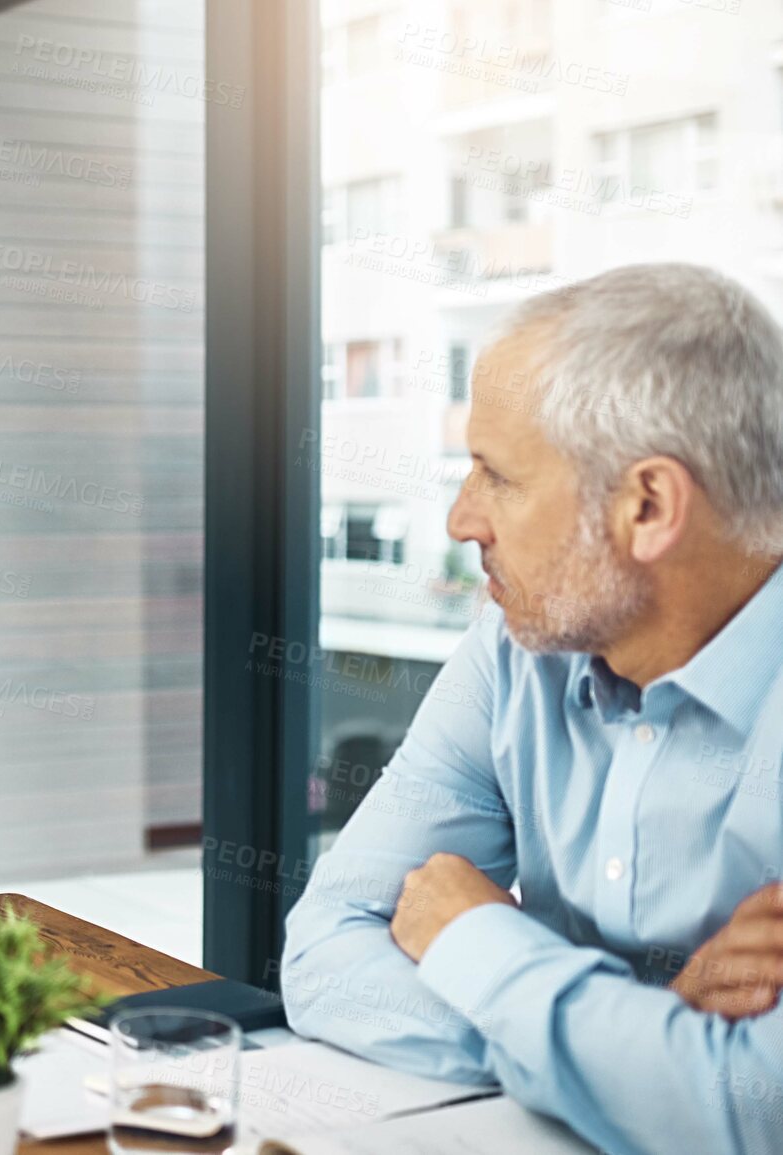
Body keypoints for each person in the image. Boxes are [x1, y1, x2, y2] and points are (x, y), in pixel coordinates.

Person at [282, 263, 783, 1154]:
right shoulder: (517, 648)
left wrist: (479, 944)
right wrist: (639, 1036)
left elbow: (754, 1110)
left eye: (497, 475)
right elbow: (324, 952)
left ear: (648, 506)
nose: (460, 519)